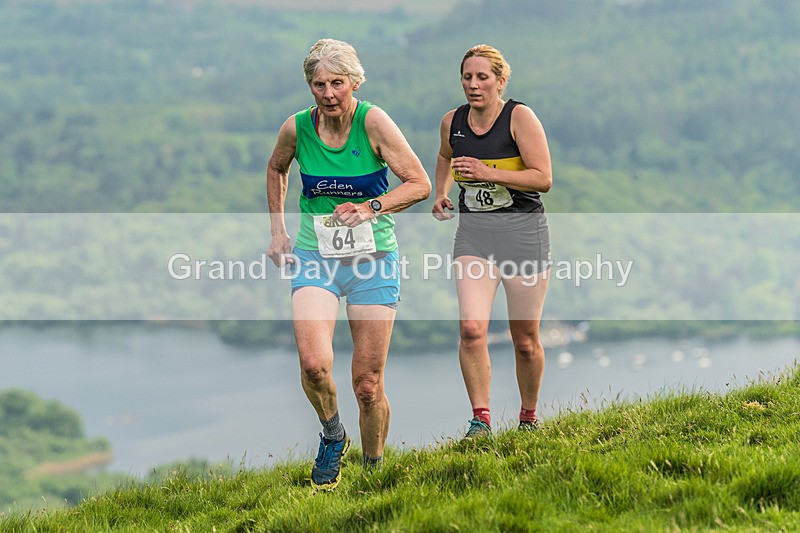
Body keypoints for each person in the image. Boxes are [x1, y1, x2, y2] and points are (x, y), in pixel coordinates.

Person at [266, 38, 431, 490]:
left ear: (355, 82)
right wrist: (278, 231)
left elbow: (419, 183)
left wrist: (371, 207)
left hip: (372, 260)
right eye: (318, 84)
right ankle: (333, 433)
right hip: (315, 256)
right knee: (314, 365)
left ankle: (374, 470)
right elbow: (278, 168)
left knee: (367, 384)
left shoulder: (373, 122)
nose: (328, 93)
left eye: (337, 83)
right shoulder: (297, 128)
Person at [431, 44, 553, 440]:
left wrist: (488, 172)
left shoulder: (519, 117)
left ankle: (528, 418)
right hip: (474, 236)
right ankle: (480, 420)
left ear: (500, 81)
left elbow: (543, 179)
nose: (473, 84)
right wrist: (441, 192)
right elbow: (445, 156)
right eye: (467, 77)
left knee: (525, 341)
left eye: (482, 77)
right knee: (470, 329)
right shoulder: (453, 121)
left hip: (523, 236)